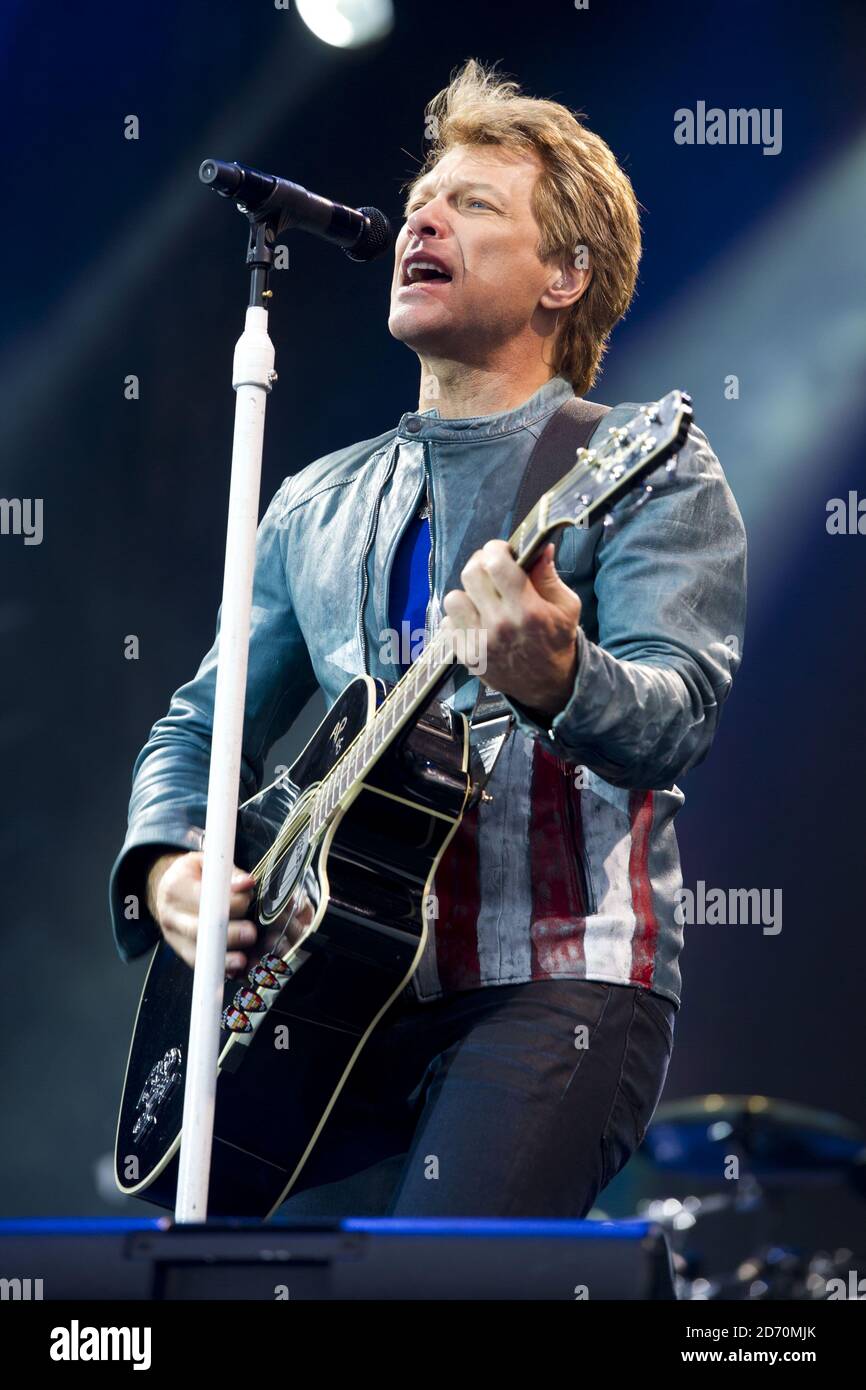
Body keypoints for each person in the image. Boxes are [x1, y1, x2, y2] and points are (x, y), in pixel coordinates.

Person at [109, 60, 747, 1218]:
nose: (423, 218)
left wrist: (562, 677)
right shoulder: (315, 498)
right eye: (418, 203)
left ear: (565, 275)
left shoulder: (638, 465)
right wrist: (165, 865)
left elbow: (678, 714)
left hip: (554, 982)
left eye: (473, 204)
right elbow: (200, 726)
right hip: (329, 996)